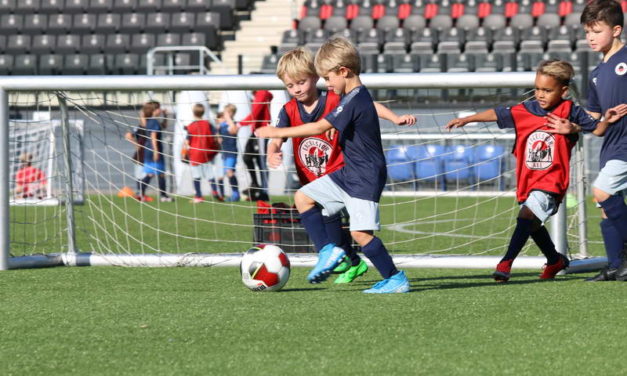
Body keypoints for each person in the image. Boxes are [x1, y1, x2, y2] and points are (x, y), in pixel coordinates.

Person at [256, 37, 413, 293]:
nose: (327, 84)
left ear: (343, 72)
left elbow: (319, 126)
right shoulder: (349, 97)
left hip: (364, 175)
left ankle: (395, 278)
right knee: (302, 197)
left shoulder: (354, 99)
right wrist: (274, 145)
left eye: (328, 79)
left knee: (361, 235)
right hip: (348, 172)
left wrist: (272, 131)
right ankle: (328, 251)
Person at [446, 59, 626, 282]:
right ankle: (554, 260)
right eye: (538, 89)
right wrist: (468, 119)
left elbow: (595, 128)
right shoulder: (524, 110)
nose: (540, 95)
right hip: (527, 179)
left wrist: (607, 121)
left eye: (547, 90)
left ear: (563, 90)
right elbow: (498, 113)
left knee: (526, 217)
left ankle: (505, 263)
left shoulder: (570, 111)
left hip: (552, 181)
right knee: (532, 223)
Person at [579, 0, 627, 281]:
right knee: (607, 208)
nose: (591, 37)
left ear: (616, 29)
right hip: (610, 144)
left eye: (596, 30)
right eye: (587, 32)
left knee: (602, 191)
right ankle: (613, 266)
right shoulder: (596, 74)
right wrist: (572, 122)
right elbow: (595, 125)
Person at [239, 89, 273, 201]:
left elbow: (255, 114)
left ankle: (264, 192)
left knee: (261, 162)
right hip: (256, 131)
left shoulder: (262, 93)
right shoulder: (257, 95)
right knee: (247, 157)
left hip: (262, 131)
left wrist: (239, 124)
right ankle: (255, 184)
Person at [185, 103, 223, 203]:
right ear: (203, 112)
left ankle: (198, 196)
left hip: (195, 154)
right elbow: (216, 135)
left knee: (196, 176)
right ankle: (215, 191)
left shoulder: (191, 126)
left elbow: (187, 141)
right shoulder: (207, 124)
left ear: (193, 113)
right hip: (206, 152)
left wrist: (184, 152)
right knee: (210, 174)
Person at [139, 102, 173, 202]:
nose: (160, 110)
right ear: (154, 110)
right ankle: (162, 196)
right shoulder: (153, 122)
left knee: (153, 173)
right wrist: (156, 151)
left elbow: (163, 126)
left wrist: (165, 115)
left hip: (148, 149)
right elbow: (153, 136)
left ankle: (142, 193)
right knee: (158, 173)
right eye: (159, 108)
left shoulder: (150, 121)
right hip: (154, 149)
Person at [125, 104, 151, 201]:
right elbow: (128, 136)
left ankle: (141, 193)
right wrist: (136, 144)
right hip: (140, 155)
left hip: (146, 154)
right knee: (141, 175)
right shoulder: (141, 128)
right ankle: (140, 194)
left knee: (147, 174)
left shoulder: (148, 126)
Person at [218, 104, 241, 202]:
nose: (225, 114)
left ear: (232, 113)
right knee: (221, 175)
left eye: (227, 112)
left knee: (230, 172)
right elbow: (218, 133)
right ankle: (221, 195)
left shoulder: (234, 124)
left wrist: (228, 119)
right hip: (224, 153)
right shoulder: (222, 124)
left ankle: (236, 194)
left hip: (231, 152)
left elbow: (234, 131)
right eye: (225, 112)